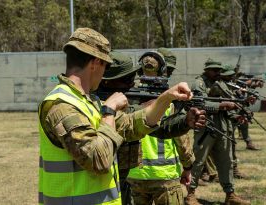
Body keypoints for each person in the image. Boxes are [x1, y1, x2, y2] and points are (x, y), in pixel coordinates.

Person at [38, 28, 194, 205]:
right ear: (95, 63)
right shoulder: (62, 105)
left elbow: (132, 124)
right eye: (106, 65)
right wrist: (109, 111)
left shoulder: (89, 101)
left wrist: (167, 97)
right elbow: (98, 160)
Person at [97, 50, 205, 205]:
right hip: (154, 177)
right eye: (126, 79)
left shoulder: (128, 101)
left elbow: (156, 126)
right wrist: (188, 165)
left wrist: (185, 122)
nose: (132, 83)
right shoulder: (106, 105)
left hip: (130, 177)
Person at [126, 51, 196, 205]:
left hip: (134, 175)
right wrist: (188, 166)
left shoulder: (128, 101)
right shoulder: (168, 101)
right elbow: (181, 140)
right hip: (165, 177)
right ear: (163, 71)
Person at [185, 59, 250, 205]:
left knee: (226, 162)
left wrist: (236, 115)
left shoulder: (221, 83)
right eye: (214, 70)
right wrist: (221, 106)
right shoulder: (199, 83)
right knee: (198, 162)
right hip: (206, 128)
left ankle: (230, 194)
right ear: (207, 69)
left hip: (223, 127)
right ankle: (190, 194)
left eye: (219, 70)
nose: (217, 73)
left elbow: (230, 104)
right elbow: (198, 103)